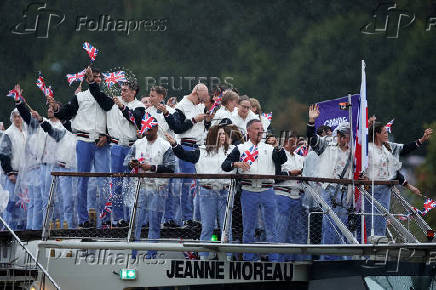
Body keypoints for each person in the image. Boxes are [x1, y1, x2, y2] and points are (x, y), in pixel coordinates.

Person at [50, 66, 111, 228]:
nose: (97, 79)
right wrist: (56, 109)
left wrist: (108, 136)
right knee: (82, 181)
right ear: (86, 79)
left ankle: (104, 220)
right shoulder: (80, 97)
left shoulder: (106, 96)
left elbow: (109, 115)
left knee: (104, 182)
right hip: (84, 141)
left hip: (101, 143)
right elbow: (65, 114)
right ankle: (84, 219)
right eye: (94, 77)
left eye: (99, 77)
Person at [222, 119, 287, 261]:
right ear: (249, 131)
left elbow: (282, 159)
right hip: (248, 190)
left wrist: (278, 147)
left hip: (267, 190)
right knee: (248, 228)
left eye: (261, 129)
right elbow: (225, 165)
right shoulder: (240, 148)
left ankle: (274, 260)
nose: (260, 131)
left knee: (271, 228)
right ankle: (248, 259)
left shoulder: (270, 148)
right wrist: (236, 163)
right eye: (257, 128)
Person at [167, 125, 235, 260]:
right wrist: (175, 144)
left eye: (224, 134)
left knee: (226, 228)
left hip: (225, 192)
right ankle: (204, 257)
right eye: (220, 134)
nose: (222, 136)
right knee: (207, 227)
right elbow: (184, 155)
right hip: (207, 192)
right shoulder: (201, 151)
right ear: (213, 135)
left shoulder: (233, 150)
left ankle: (228, 257)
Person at [365, 122, 433, 237]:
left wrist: (422, 140)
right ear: (377, 134)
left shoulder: (387, 147)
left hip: (384, 191)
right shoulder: (368, 149)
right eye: (384, 132)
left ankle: (378, 243)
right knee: (369, 220)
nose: (387, 134)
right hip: (370, 190)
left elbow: (404, 149)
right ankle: (368, 248)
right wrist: (409, 186)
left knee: (381, 219)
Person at [125, 118, 175, 258]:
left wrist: (152, 167)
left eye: (150, 129)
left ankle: (151, 254)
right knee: (135, 222)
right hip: (139, 186)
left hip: (157, 187)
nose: (147, 132)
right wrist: (132, 164)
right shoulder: (138, 143)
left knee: (154, 222)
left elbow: (171, 167)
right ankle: (133, 253)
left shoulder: (165, 145)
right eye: (145, 129)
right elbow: (126, 161)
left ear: (157, 128)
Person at [306, 105, 352, 260]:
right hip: (329, 189)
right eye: (341, 135)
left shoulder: (355, 151)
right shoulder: (328, 144)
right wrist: (312, 123)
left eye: (346, 136)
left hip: (345, 192)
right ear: (337, 134)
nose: (343, 138)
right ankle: (327, 260)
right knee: (329, 224)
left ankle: (339, 260)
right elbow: (312, 141)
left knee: (342, 226)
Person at [162, 83, 210, 228]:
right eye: (201, 98)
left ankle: (191, 217)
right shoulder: (182, 105)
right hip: (186, 145)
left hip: (199, 146)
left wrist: (207, 122)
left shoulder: (200, 106)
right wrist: (194, 120)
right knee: (187, 184)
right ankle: (186, 218)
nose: (203, 101)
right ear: (196, 92)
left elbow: (202, 127)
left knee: (195, 184)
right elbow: (177, 128)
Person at [106, 81, 145, 227]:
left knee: (130, 183)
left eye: (126, 90)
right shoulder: (114, 103)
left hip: (131, 147)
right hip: (116, 145)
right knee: (116, 183)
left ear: (133, 92)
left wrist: (122, 107)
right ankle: (118, 218)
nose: (122, 92)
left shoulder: (140, 105)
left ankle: (131, 216)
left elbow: (135, 118)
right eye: (121, 90)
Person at [274, 134, 308, 262]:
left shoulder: (301, 158)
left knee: (295, 232)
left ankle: (293, 261)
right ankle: (278, 262)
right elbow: (275, 177)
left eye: (295, 142)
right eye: (291, 142)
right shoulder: (279, 156)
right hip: (283, 194)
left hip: (298, 195)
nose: (294, 144)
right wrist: (290, 173)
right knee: (281, 231)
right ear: (285, 143)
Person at [0, 108, 26, 230]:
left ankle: (19, 229)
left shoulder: (25, 132)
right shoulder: (9, 133)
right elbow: (4, 154)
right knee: (10, 202)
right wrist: (9, 172)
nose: (17, 119)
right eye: (15, 116)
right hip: (13, 174)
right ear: (12, 118)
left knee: (22, 203)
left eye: (19, 116)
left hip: (24, 174)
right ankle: (7, 229)